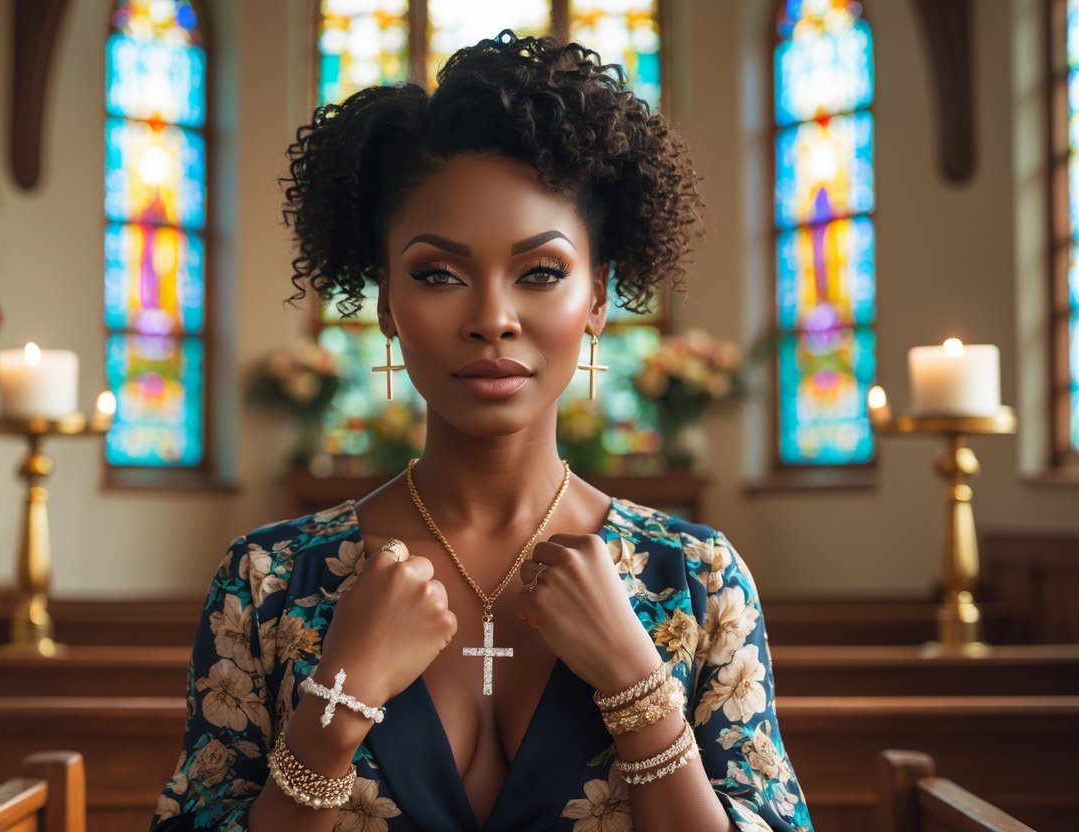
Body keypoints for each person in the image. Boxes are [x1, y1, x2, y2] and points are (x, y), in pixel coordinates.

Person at [152, 31, 812, 832]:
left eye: (540, 273)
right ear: (388, 303)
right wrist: (335, 704)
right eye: (438, 274)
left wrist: (638, 685)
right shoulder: (265, 585)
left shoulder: (698, 582)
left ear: (598, 298)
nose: (493, 318)